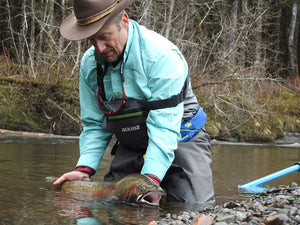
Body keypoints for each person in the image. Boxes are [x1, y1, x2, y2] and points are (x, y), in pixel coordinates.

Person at [54, 0, 214, 204]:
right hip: (132, 142)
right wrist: (84, 168)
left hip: (182, 138)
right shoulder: (89, 65)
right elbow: (95, 125)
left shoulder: (161, 57)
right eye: (92, 40)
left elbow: (164, 130)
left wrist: (149, 181)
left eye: (104, 37)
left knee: (190, 210)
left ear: (124, 20)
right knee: (114, 207)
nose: (99, 48)